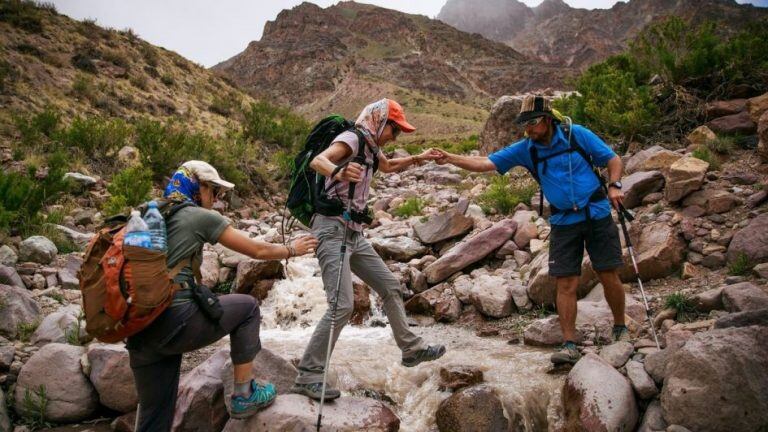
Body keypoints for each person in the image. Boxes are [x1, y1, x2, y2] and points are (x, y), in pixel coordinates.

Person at [433, 95, 630, 365]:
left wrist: (615, 185)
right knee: (565, 282)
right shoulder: (527, 148)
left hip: (596, 213)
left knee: (608, 273)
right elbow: (485, 163)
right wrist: (449, 158)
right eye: (525, 125)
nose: (528, 130)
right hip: (563, 222)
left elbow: (613, 160)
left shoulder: (576, 135)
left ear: (548, 120)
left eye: (533, 123)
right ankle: (570, 344)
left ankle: (621, 327)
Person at [127, 160, 318, 431]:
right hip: (174, 321)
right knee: (249, 307)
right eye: (214, 191)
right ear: (198, 187)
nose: (217, 200)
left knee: (154, 416)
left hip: (138, 327)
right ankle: (243, 394)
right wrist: (292, 249)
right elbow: (257, 251)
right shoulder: (199, 217)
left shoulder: (151, 213)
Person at [290, 99, 446, 401]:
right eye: (394, 129)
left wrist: (420, 158)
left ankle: (411, 350)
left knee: (390, 287)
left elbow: (387, 166)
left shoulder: (372, 148)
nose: (394, 136)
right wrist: (339, 170)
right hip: (331, 230)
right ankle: (308, 374)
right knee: (342, 306)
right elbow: (318, 161)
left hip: (354, 233)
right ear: (379, 120)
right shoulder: (352, 138)